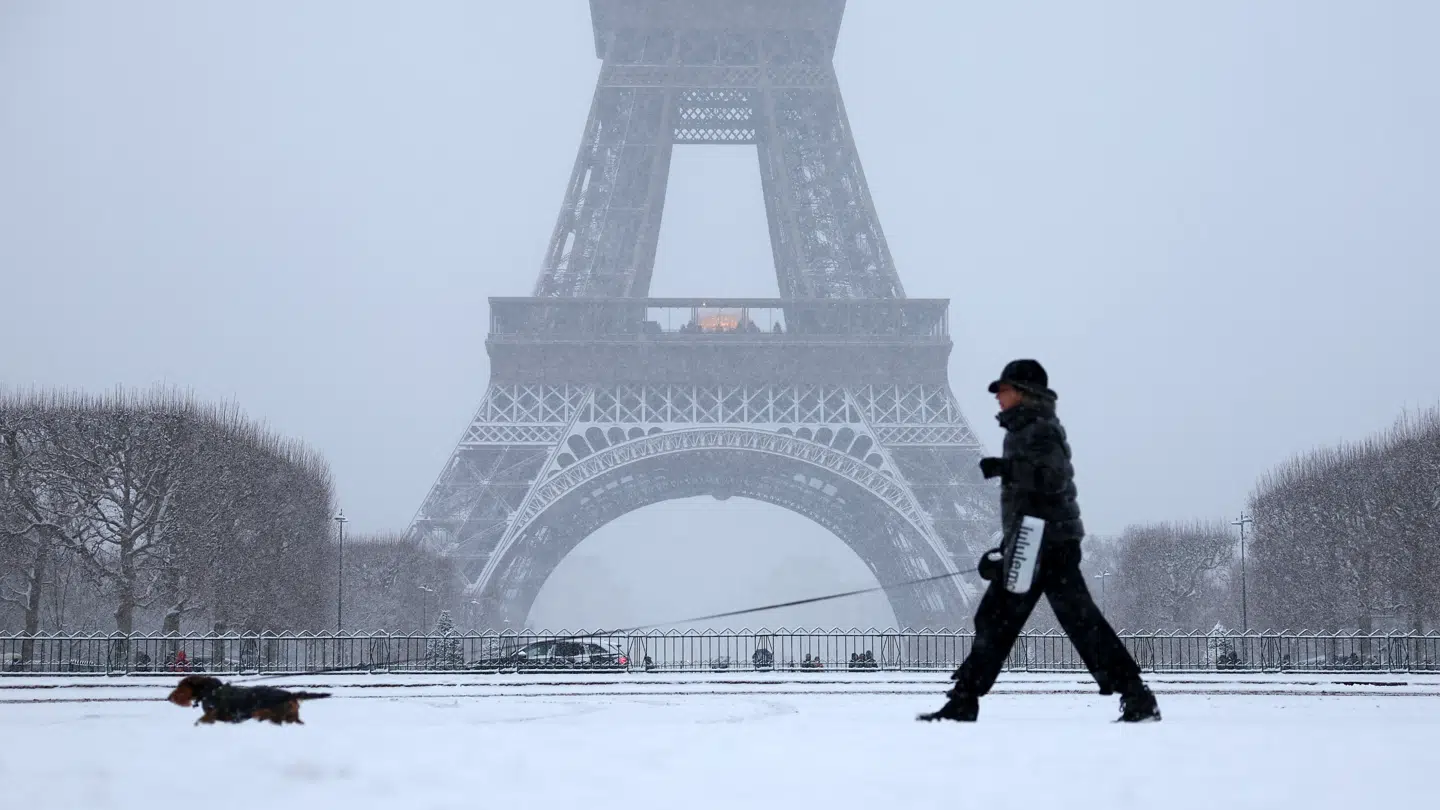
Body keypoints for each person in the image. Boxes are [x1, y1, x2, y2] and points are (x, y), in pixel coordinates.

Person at [918, 359, 1161, 723]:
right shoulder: (1023, 430)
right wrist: (1005, 550)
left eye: (1004, 389)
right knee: (1016, 618)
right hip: (1038, 542)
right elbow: (1032, 502)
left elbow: (1052, 481)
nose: (998, 396)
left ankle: (966, 698)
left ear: (1024, 392)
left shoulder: (1040, 429)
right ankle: (965, 697)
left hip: (1048, 544)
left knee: (1023, 620)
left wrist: (1006, 470)